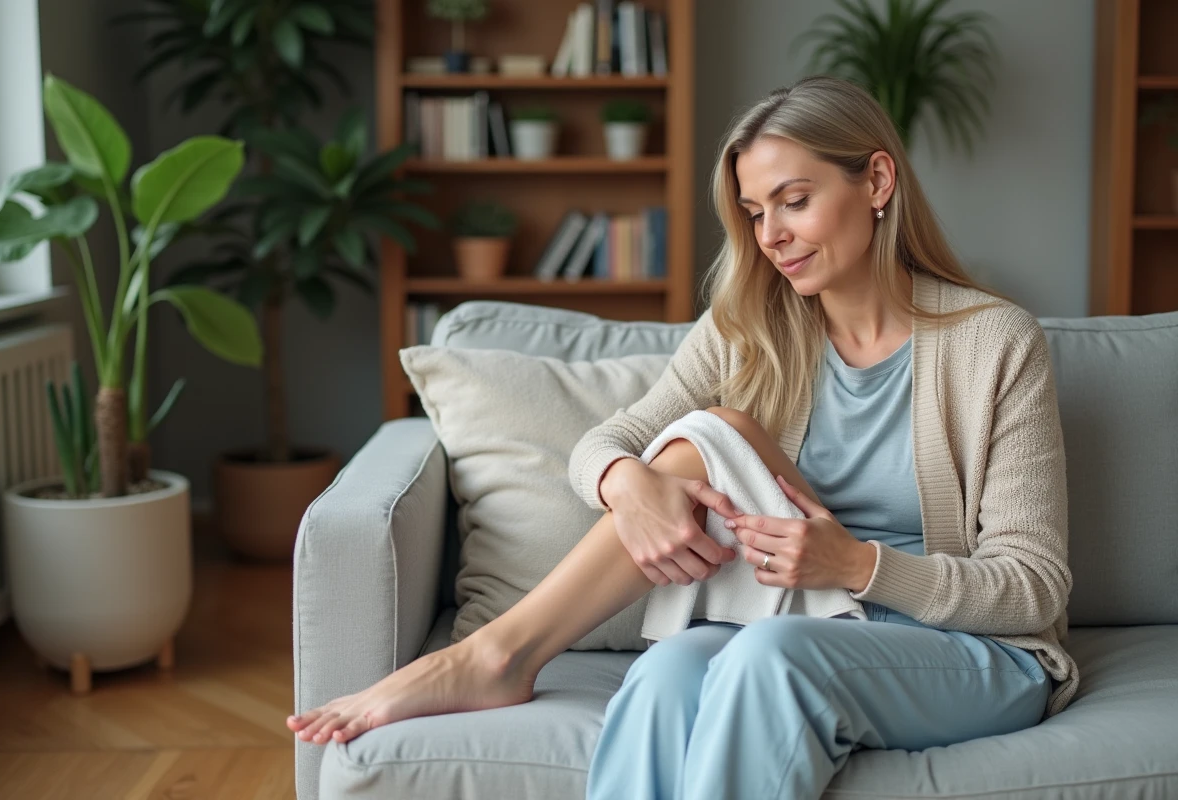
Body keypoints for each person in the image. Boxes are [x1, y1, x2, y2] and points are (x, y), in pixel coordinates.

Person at [287, 75, 1078, 799]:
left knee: (770, 657)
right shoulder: (752, 329)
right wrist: (624, 485)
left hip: (975, 651)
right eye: (755, 212)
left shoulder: (996, 342)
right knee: (667, 665)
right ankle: (504, 654)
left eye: (794, 200)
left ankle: (497, 655)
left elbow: (1035, 583)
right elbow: (611, 440)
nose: (771, 235)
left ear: (875, 181)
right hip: (816, 620)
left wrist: (859, 564)